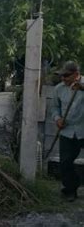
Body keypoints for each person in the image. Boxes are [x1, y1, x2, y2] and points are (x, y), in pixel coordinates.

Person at [51, 61, 84, 202]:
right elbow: (54, 108)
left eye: (66, 75)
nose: (63, 78)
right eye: (61, 75)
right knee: (65, 162)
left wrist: (82, 88)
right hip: (67, 131)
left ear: (76, 75)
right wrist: (58, 119)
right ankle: (71, 189)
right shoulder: (58, 89)